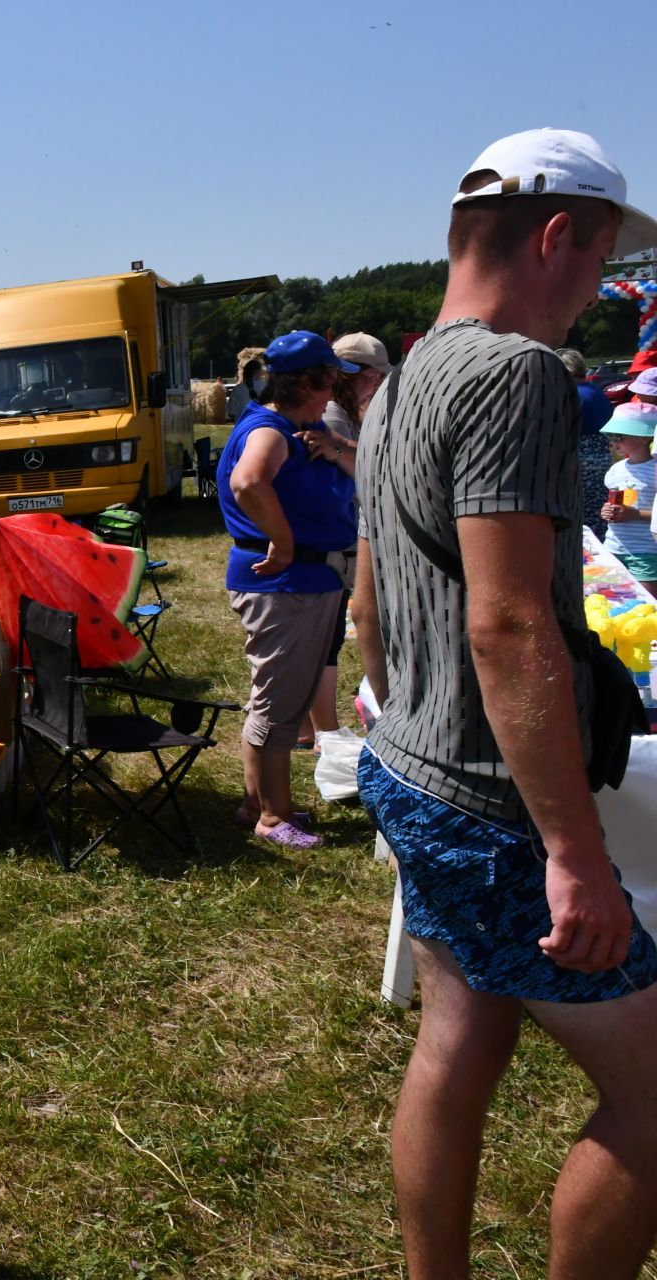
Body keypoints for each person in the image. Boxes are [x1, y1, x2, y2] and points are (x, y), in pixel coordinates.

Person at [349, 127, 657, 1279]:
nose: (602, 290)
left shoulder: (405, 379)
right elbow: (511, 619)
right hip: (494, 806)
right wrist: (573, 850)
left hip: (413, 764)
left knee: (458, 1037)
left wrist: (400, 716)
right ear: (558, 236)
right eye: (604, 263)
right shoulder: (517, 374)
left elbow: (373, 603)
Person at [215, 329, 359, 847]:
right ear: (305, 383)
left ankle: (258, 803)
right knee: (279, 706)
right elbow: (248, 482)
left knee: (281, 699)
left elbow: (367, 467)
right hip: (287, 583)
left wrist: (336, 444)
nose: (332, 393)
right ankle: (274, 817)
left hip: (304, 581)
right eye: (327, 382)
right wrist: (282, 543)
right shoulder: (272, 431)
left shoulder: (303, 425)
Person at [297, 333, 392, 745]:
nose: (376, 386)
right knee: (326, 640)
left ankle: (306, 729)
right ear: (360, 376)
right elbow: (363, 469)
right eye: (372, 379)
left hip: (337, 537)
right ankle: (325, 731)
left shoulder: (345, 413)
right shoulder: (334, 414)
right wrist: (341, 451)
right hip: (335, 540)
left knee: (323, 639)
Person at [600, 403, 657, 594]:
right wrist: (607, 510)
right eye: (610, 436)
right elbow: (615, 502)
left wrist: (633, 514)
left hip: (646, 551)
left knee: (646, 604)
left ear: (644, 438)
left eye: (619, 436)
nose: (613, 442)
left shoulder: (654, 470)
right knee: (616, 601)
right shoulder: (616, 469)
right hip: (614, 546)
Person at [560, 347, 618, 536]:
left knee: (580, 515)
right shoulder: (595, 391)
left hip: (581, 460)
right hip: (602, 457)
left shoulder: (572, 394)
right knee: (597, 513)